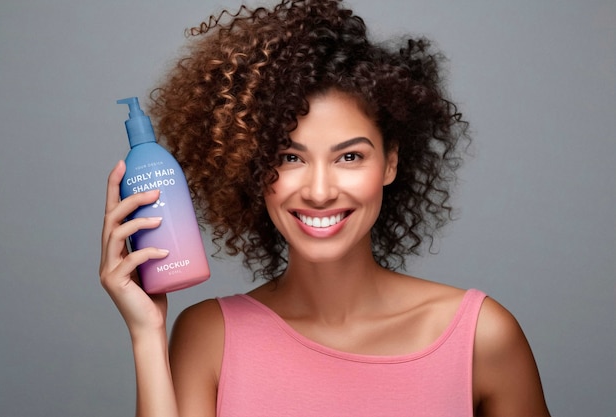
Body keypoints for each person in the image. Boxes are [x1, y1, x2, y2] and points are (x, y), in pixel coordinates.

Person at [100, 0, 550, 416]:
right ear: (255, 168)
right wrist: (146, 334)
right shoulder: (210, 334)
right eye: (290, 157)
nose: (319, 191)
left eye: (349, 157)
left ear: (391, 161)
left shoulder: (481, 337)